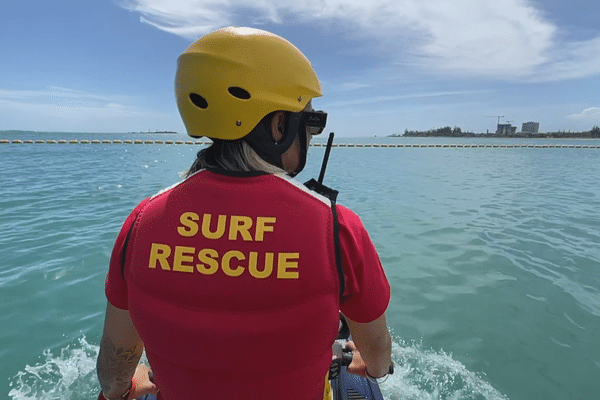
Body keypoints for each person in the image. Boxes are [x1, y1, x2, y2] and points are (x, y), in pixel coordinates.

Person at [96, 26, 392, 400]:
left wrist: (125, 383)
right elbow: (379, 356)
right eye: (309, 124)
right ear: (279, 125)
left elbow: (113, 365)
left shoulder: (141, 223)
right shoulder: (337, 228)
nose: (311, 137)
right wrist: (371, 363)